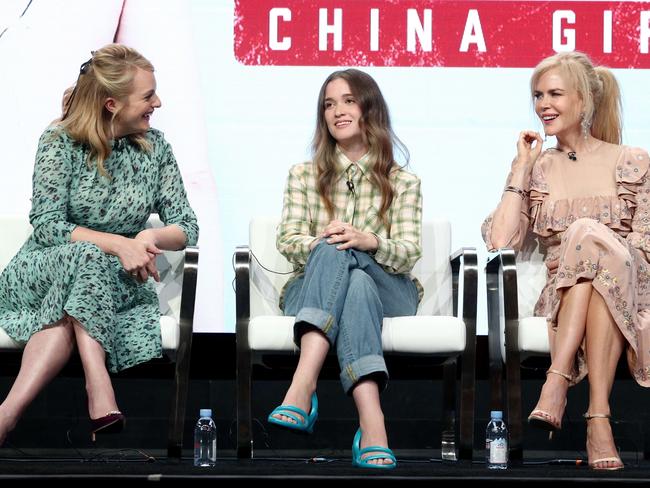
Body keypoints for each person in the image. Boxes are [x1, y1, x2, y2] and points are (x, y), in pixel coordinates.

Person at [0, 43, 199, 445]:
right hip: (44, 268)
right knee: (87, 256)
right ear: (111, 104)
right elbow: (48, 226)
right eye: (148, 96)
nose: (157, 102)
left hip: (114, 281)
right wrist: (118, 245)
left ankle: (4, 417)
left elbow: (187, 227)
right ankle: (98, 382)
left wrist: (147, 237)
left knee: (67, 309)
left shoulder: (155, 148)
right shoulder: (60, 141)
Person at [482, 51, 650, 471]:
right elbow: (500, 238)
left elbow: (645, 248)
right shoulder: (538, 168)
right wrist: (520, 168)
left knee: (588, 235)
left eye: (555, 93)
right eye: (537, 95)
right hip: (564, 297)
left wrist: (598, 244)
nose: (543, 105)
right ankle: (598, 419)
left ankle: (556, 382)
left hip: (632, 288)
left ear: (584, 101)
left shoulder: (631, 161)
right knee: (586, 250)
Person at [268, 69, 422, 469]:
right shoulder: (303, 175)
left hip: (391, 290)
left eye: (348, 100)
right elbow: (288, 241)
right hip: (313, 288)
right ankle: (373, 424)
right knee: (346, 270)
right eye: (329, 104)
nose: (337, 111)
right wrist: (329, 241)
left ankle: (303, 385)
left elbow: (407, 253)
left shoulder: (403, 181)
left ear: (370, 107)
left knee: (349, 253)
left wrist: (368, 241)